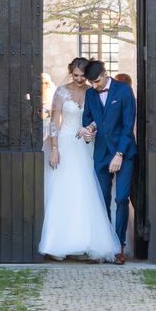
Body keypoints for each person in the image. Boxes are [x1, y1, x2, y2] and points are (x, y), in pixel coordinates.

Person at [38, 58, 121, 262]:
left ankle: (87, 242)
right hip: (65, 143)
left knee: (87, 190)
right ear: (70, 73)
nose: (78, 79)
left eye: (83, 76)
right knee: (64, 191)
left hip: (86, 145)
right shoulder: (61, 92)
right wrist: (55, 149)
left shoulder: (92, 92)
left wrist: (91, 130)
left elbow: (100, 117)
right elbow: (54, 121)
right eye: (75, 75)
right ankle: (59, 243)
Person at [79, 60, 137, 265]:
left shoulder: (123, 91)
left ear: (105, 74)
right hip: (101, 154)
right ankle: (104, 245)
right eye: (91, 83)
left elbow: (128, 126)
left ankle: (119, 246)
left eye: (96, 81)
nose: (94, 86)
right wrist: (87, 131)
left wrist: (119, 154)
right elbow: (87, 121)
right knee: (101, 200)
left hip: (124, 152)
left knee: (121, 199)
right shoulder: (90, 94)